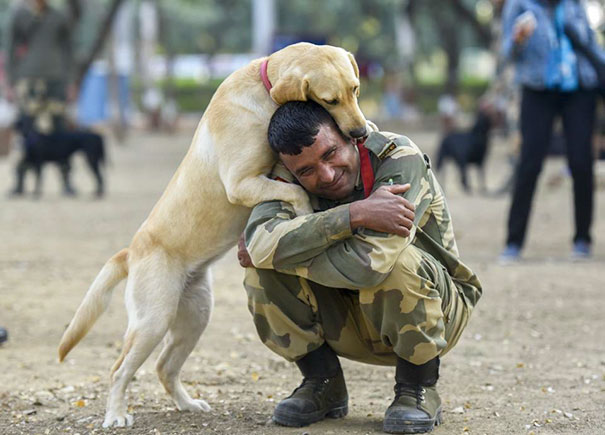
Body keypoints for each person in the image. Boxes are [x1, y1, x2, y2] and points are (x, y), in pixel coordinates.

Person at [237, 101, 482, 433]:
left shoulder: (398, 157)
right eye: (306, 171)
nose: (325, 174)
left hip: (435, 314)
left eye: (330, 153)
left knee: (396, 264)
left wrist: (283, 251)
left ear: (351, 135)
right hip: (348, 317)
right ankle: (322, 383)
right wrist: (354, 215)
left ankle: (418, 389)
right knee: (259, 273)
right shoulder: (285, 173)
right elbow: (256, 246)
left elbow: (370, 265)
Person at [499, 0, 600, 261]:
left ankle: (582, 240)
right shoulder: (519, 5)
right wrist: (518, 39)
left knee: (581, 162)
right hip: (537, 89)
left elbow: (589, 44)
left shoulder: (574, 4)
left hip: (579, 87)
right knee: (529, 163)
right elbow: (507, 53)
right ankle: (513, 242)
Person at [5, 0, 76, 196]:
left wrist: (70, 81)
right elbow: (11, 48)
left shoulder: (59, 17)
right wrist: (11, 81)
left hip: (55, 80)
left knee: (59, 129)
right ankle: (20, 181)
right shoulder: (21, 15)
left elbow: (69, 50)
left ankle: (67, 180)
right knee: (26, 132)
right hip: (27, 80)